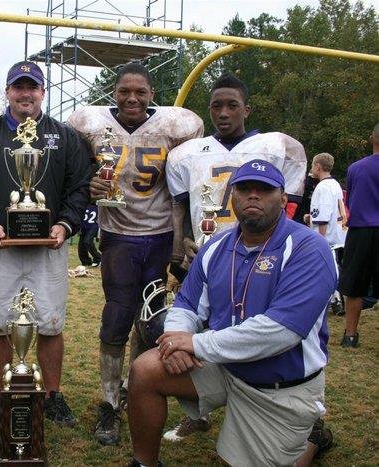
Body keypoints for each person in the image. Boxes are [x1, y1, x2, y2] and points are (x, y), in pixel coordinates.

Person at [127, 159, 335, 467]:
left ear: (284, 200)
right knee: (145, 370)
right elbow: (186, 303)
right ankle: (144, 463)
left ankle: (313, 439)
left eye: (264, 190)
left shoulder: (309, 249)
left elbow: (280, 332)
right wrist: (176, 337)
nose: (253, 196)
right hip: (227, 368)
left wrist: (195, 344)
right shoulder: (217, 245)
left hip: (277, 384)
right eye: (244, 189)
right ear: (231, 197)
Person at [65, 62, 203, 445]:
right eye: (125, 90)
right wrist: (89, 211)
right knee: (117, 315)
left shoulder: (176, 127)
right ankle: (109, 402)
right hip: (118, 234)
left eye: (140, 92)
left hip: (158, 236)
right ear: (114, 92)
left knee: (152, 319)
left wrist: (180, 242)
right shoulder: (89, 124)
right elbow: (77, 175)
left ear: (152, 95)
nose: (132, 98)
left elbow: (184, 187)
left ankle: (134, 386)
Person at [163, 73, 306, 439]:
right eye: (215, 106)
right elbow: (179, 206)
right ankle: (197, 412)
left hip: (260, 255)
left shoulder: (277, 147)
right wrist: (180, 246)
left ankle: (281, 409)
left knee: (260, 329)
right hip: (207, 256)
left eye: (231, 105)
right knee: (199, 326)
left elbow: (289, 206)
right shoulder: (188, 153)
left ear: (247, 108)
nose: (223, 113)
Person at [0, 60, 90, 428]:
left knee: (50, 323)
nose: (25, 93)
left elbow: (80, 186)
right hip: (0, 246)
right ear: (7, 92)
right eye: (18, 87)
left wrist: (65, 224)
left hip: (50, 247)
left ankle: (52, 395)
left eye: (32, 87)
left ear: (43, 92)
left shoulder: (63, 136)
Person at [338, 123, 379, 348]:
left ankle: (350, 335)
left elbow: (350, 200)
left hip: (361, 229)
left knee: (355, 285)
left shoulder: (356, 168)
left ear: (372, 139)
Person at [306, 152, 346, 315]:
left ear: (318, 166)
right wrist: (310, 217)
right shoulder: (334, 184)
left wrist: (320, 240)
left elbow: (322, 217)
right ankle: (335, 299)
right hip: (335, 234)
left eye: (312, 165)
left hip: (325, 237)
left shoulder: (322, 187)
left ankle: (334, 300)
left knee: (324, 270)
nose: (311, 169)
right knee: (332, 268)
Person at [78, 202, 101, 267]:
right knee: (81, 246)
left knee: (87, 242)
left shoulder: (98, 205)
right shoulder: (84, 203)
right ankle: (86, 261)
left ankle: (98, 258)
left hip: (93, 226)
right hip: (84, 226)